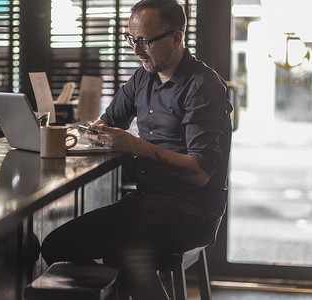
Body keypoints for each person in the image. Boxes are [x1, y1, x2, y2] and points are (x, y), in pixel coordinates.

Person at [41, 0, 232, 299]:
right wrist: (92, 133)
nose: (135, 49)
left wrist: (135, 145)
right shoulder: (143, 77)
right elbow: (104, 123)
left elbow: (199, 173)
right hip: (148, 200)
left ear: (176, 37)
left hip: (193, 209)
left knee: (125, 252)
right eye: (131, 39)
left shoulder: (203, 86)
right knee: (57, 245)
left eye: (144, 41)